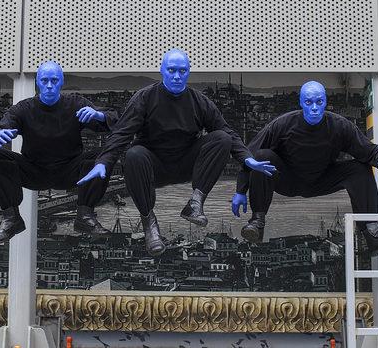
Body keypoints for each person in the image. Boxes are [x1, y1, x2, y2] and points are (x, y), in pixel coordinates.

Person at [78, 49, 276, 256]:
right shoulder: (145, 98)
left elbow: (226, 131)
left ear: (188, 72)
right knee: (134, 154)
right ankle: (149, 225)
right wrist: (104, 161)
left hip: (187, 163)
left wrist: (248, 159)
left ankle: (195, 203)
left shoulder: (199, 101)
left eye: (182, 71)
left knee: (221, 138)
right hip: (153, 165)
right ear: (161, 70)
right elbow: (122, 133)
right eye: (172, 70)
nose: (177, 76)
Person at [231, 80, 378, 257]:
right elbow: (250, 155)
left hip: (322, 179)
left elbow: (368, 150)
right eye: (309, 102)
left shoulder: (339, 125)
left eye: (319, 102)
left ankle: (372, 233)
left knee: (360, 168)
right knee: (262, 156)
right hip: (287, 179)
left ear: (325, 101)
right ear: (301, 103)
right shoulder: (282, 124)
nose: (315, 107)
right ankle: (257, 223)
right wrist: (240, 191)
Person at [0, 61, 118, 245]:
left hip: (70, 172)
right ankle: (11, 218)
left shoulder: (76, 104)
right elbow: (0, 127)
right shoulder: (24, 108)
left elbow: (114, 122)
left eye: (54, 80)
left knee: (105, 153)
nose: (49, 86)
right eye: (44, 80)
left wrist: (99, 115)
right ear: (37, 82)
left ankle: (85, 215)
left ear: (61, 82)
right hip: (34, 171)